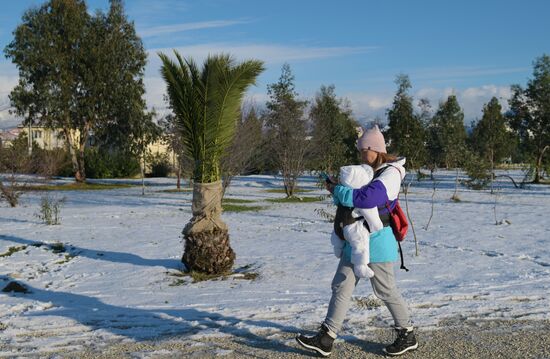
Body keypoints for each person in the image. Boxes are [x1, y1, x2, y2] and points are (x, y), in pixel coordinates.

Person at [296, 125, 418, 357]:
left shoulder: (391, 173)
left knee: (385, 290)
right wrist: (338, 188)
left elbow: (367, 198)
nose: (361, 156)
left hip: (379, 241)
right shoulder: (372, 171)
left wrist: (338, 191)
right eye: (360, 151)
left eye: (364, 151)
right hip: (356, 238)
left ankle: (407, 333)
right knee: (341, 284)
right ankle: (326, 338)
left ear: (376, 149)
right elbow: (356, 199)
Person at [330, 164, 383, 279]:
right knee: (360, 242)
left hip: (339, 225)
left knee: (336, 235)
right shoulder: (360, 197)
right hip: (352, 225)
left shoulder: (340, 190)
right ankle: (361, 265)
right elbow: (371, 214)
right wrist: (377, 227)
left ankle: (338, 249)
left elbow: (336, 200)